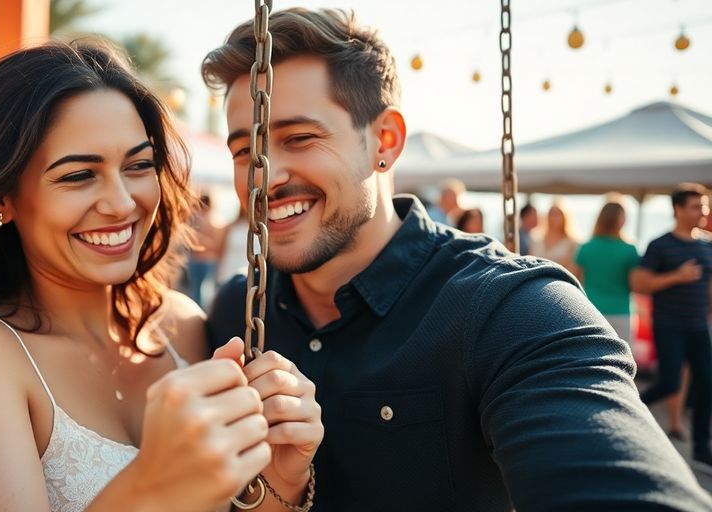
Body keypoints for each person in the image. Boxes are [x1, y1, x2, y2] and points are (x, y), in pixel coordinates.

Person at [202, 8, 711, 510]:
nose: (264, 177)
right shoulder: (235, 314)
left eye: (300, 138)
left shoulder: (508, 308)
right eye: (245, 151)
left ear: (385, 141)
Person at [0, 42, 321, 512]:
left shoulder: (184, 328)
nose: (121, 203)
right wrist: (154, 483)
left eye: (138, 165)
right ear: (2, 196)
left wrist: (282, 479)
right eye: (77, 176)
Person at [632, 183, 712, 467]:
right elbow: (639, 282)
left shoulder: (707, 244)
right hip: (669, 325)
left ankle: (702, 448)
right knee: (670, 382)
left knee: (707, 382)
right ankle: (628, 409)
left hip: (698, 327)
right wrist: (676, 277)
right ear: (678, 210)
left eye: (704, 205)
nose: (702, 211)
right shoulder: (660, 245)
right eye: (696, 206)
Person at [575, 199, 639, 345]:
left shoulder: (586, 248)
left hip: (592, 311)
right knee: (624, 363)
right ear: (620, 220)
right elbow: (636, 285)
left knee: (593, 360)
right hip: (621, 312)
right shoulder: (630, 250)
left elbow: (574, 280)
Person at [185, 193, 226, 308]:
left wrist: (201, 242)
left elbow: (191, 240)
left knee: (197, 290)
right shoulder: (216, 220)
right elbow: (218, 245)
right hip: (206, 260)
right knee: (205, 291)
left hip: (199, 260)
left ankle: (199, 313)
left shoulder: (197, 220)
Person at [534, 198, 580, 277]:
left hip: (561, 284)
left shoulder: (572, 243)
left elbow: (573, 271)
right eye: (551, 213)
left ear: (565, 216)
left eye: (557, 214)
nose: (554, 217)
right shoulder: (537, 239)